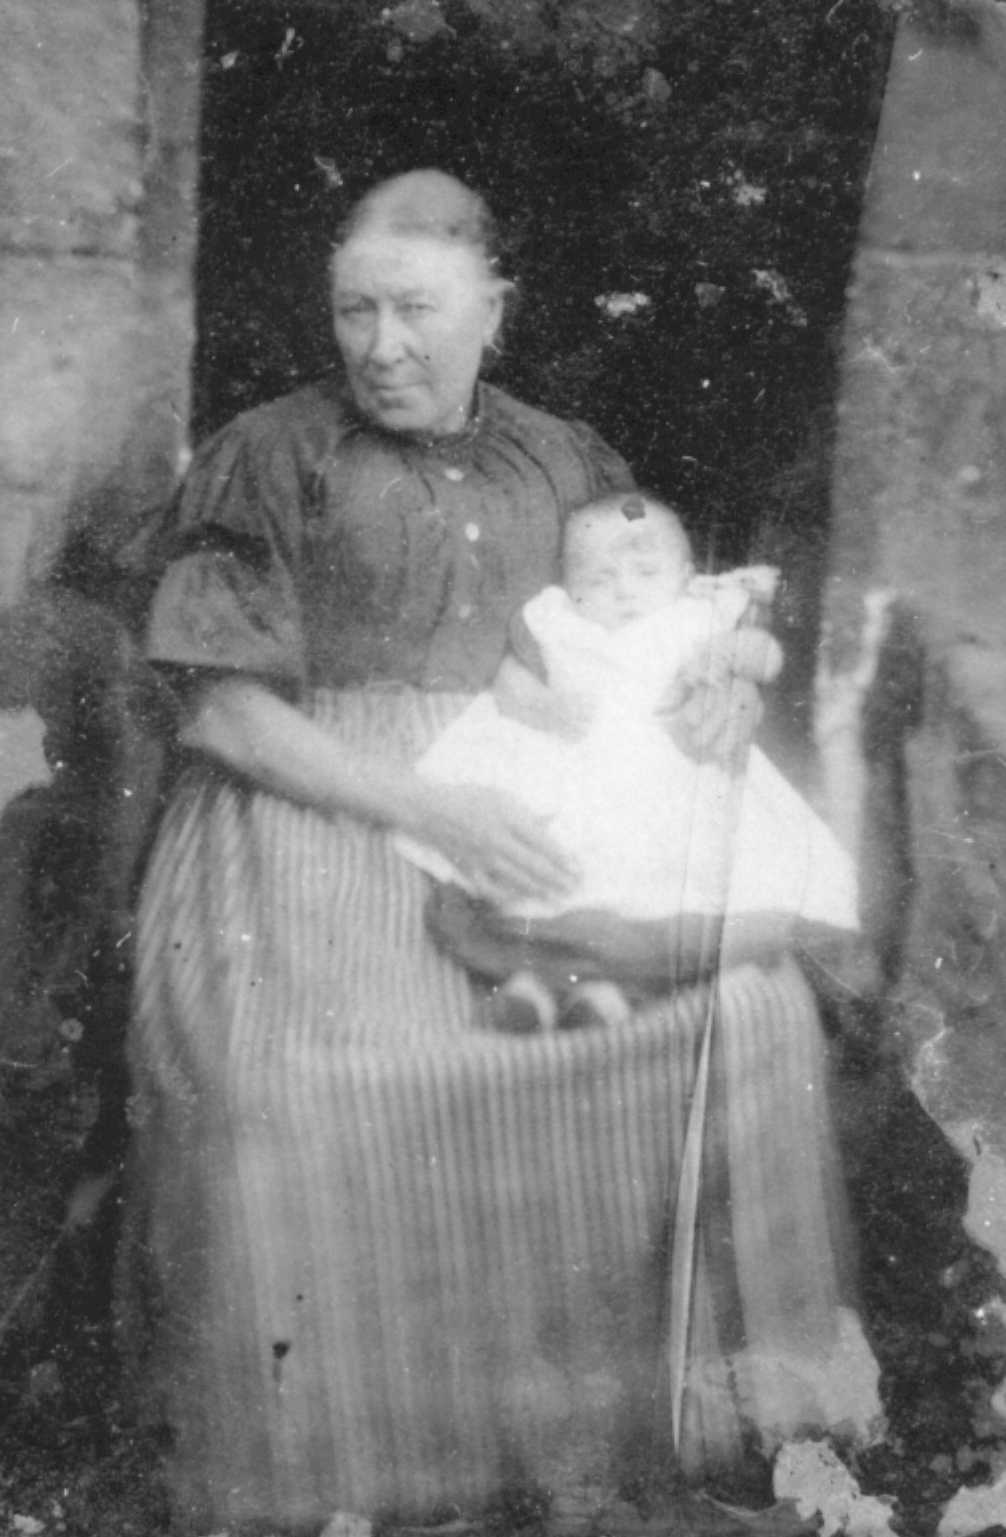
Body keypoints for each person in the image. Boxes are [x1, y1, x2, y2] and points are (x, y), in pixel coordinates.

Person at [116, 168, 880, 1533]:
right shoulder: (270, 453)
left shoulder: (565, 459)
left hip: (544, 801)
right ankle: (352, 1464)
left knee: (750, 1016)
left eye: (416, 310)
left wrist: (716, 681)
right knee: (295, 1084)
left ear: (495, 314)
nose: (380, 346)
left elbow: (659, 616)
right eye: (353, 311)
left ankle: (612, 1433)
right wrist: (423, 807)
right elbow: (221, 709)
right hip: (316, 802)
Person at [397, 491, 860, 1033]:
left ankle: (611, 995)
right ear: (570, 586)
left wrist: (727, 656)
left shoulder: (702, 614)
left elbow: (767, 656)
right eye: (598, 578)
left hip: (669, 778)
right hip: (574, 777)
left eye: (645, 572)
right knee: (547, 883)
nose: (624, 590)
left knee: (674, 897)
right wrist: (542, 705)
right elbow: (509, 680)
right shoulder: (555, 622)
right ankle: (532, 989)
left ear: (686, 574)